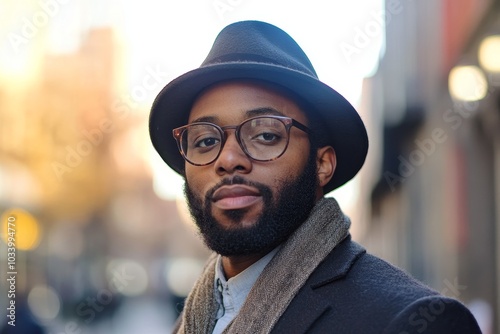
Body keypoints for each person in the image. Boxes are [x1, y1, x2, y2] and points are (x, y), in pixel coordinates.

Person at [149, 20, 481, 334]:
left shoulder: (414, 322)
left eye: (265, 135)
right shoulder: (195, 319)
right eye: (206, 141)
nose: (229, 158)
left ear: (322, 164)